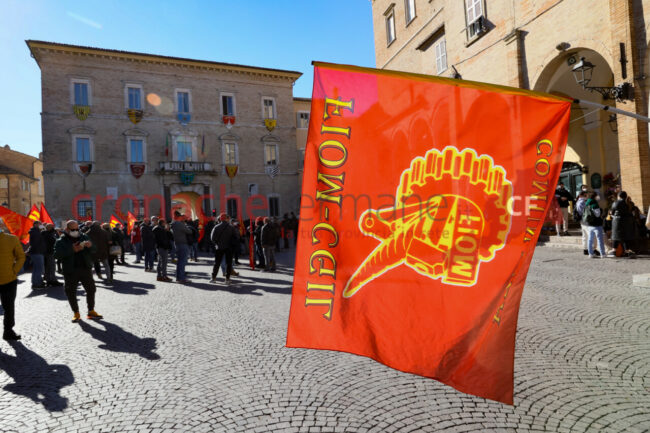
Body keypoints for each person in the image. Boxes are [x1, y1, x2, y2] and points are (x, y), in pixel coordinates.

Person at [54, 220, 103, 322]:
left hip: (85, 268)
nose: (76, 231)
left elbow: (94, 249)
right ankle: (76, 313)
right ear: (67, 229)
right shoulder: (61, 240)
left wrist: (90, 246)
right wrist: (72, 250)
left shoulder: (84, 236)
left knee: (91, 289)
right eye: (73, 229)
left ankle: (91, 310)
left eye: (77, 229)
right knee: (71, 292)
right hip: (70, 270)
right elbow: (57, 255)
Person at [0, 219, 26, 340]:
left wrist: (14, 271)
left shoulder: (11, 239)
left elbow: (21, 256)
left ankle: (8, 331)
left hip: (9, 279)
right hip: (9, 279)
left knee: (8, 307)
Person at [210, 213, 236, 284]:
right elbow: (236, 238)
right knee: (229, 263)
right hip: (228, 247)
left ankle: (213, 278)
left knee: (217, 263)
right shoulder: (231, 227)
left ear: (220, 219)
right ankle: (227, 279)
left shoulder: (216, 227)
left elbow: (212, 238)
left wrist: (217, 243)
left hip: (219, 247)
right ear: (227, 218)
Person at [583, 192, 607, 259]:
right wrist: (601, 211)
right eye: (597, 196)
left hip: (589, 224)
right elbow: (598, 215)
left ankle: (590, 254)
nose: (598, 197)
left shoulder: (587, 203)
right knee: (600, 239)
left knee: (590, 239)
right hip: (596, 224)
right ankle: (603, 254)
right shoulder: (594, 204)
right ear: (595, 196)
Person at [611, 191, 635, 256]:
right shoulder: (630, 203)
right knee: (625, 236)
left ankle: (614, 251)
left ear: (619, 196)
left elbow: (612, 212)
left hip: (617, 222)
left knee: (616, 237)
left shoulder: (616, 203)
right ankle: (627, 251)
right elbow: (633, 212)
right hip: (627, 222)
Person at [170, 211, 192, 283]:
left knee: (180, 262)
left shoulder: (173, 224)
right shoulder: (179, 224)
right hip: (183, 243)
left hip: (177, 243)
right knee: (182, 262)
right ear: (179, 217)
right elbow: (189, 231)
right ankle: (181, 278)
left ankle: (179, 277)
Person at [28, 220, 47, 289]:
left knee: (37, 268)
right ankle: (37, 284)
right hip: (37, 252)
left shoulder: (36, 231)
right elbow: (36, 243)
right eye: (40, 224)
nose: (41, 225)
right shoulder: (35, 232)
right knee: (39, 268)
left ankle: (37, 282)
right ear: (35, 225)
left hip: (37, 252)